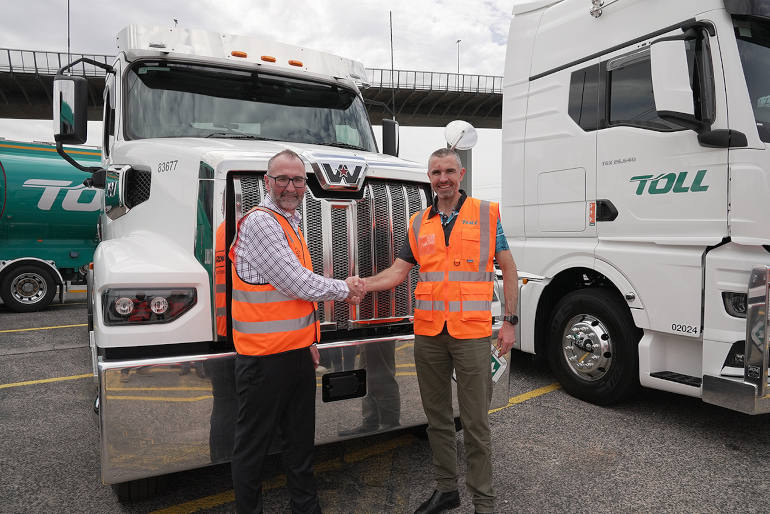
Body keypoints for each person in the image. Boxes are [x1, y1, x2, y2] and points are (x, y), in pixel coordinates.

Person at [363, 148, 518, 514]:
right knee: (437, 420)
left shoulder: (485, 214)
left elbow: (509, 269)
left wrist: (510, 321)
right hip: (430, 334)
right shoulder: (418, 222)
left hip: (472, 334)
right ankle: (446, 490)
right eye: (436, 172)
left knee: (476, 424)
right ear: (429, 177)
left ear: (460, 174)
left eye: (449, 171)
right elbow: (398, 272)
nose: (443, 178)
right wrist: (360, 285)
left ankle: (484, 502)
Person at [229, 149, 365, 514]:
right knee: (252, 448)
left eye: (298, 180)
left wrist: (309, 341)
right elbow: (296, 283)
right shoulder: (261, 222)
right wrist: (346, 288)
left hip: (295, 355)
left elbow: (291, 302)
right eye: (283, 179)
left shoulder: (291, 222)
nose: (291, 186)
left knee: (301, 444)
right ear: (266, 182)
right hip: (262, 360)